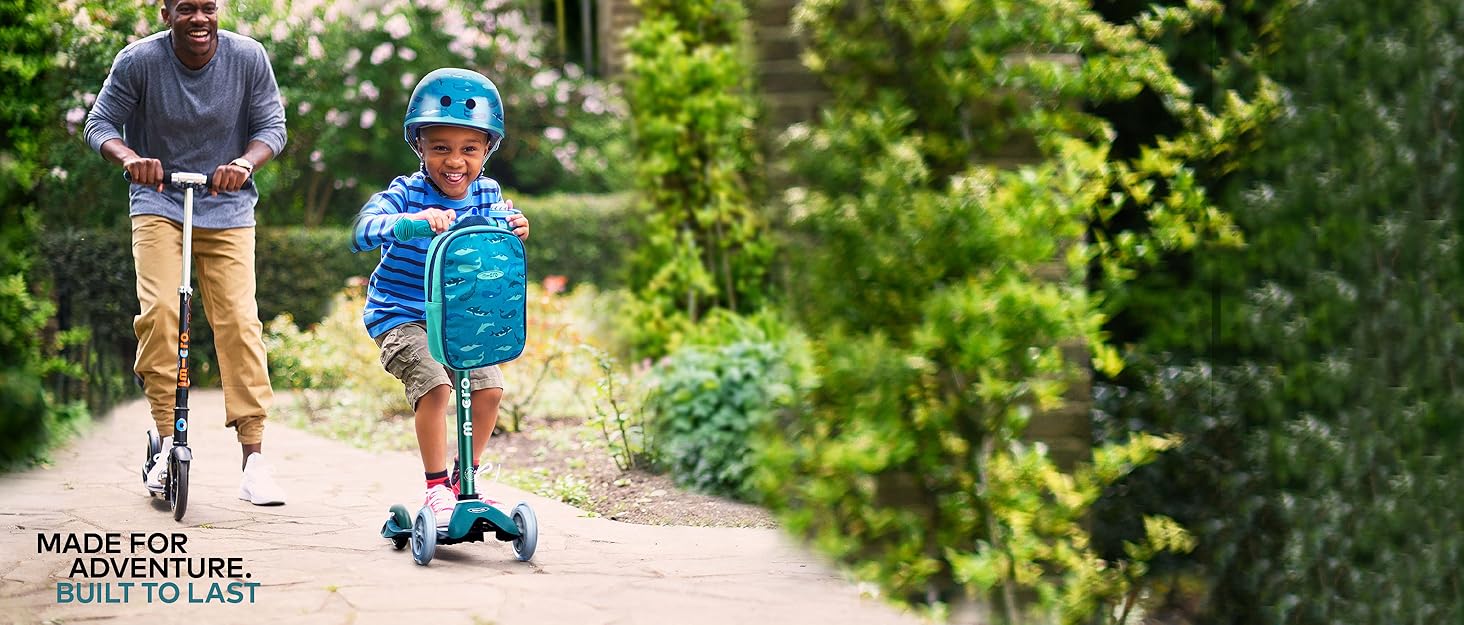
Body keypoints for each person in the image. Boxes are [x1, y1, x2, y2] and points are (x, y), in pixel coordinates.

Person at [83, 0, 287, 505]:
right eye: (187, 8)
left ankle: (254, 460)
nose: (200, 18)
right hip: (157, 201)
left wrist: (243, 162)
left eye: (208, 7)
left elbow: (272, 129)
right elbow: (99, 125)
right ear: (165, 13)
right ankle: (164, 444)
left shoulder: (248, 57)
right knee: (161, 312)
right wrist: (131, 158)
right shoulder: (139, 61)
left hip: (228, 204)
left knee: (239, 320)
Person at [351, 68, 530, 524]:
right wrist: (402, 223)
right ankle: (435, 490)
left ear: (487, 150)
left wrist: (515, 229)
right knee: (435, 386)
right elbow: (362, 230)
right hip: (401, 315)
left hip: (460, 316)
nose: (455, 161)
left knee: (489, 390)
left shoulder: (489, 193)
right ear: (420, 148)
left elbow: (496, 243)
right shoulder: (406, 192)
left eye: (469, 149)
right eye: (441, 149)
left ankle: (461, 481)